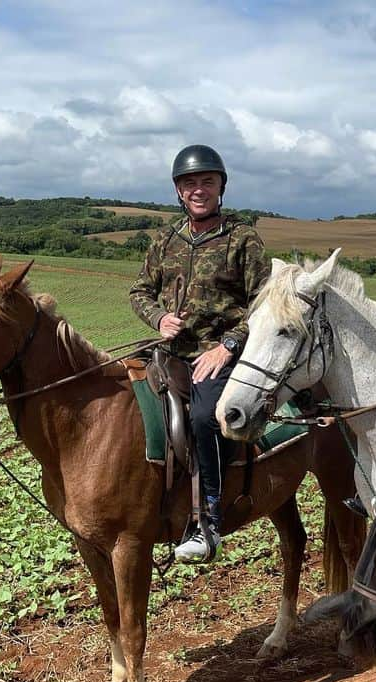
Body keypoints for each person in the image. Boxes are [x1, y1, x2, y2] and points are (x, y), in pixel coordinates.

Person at [129, 144, 267, 562]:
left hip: (221, 353)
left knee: (207, 417)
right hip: (170, 350)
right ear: (178, 191)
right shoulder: (165, 239)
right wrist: (158, 320)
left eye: (207, 182)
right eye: (190, 184)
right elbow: (139, 290)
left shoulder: (242, 238)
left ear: (221, 187)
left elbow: (265, 304)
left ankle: (207, 518)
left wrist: (228, 346)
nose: (199, 190)